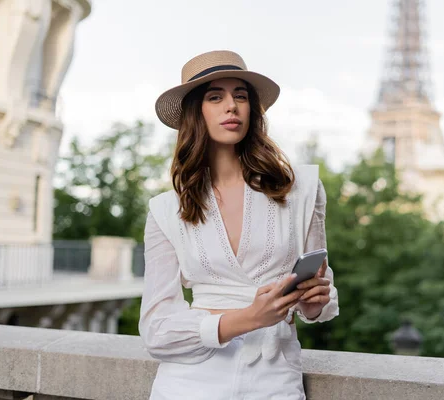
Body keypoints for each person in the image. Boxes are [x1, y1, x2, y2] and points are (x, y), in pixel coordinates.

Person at [139, 50, 339, 400]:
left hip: (274, 377)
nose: (231, 106)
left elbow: (315, 298)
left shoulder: (304, 189)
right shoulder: (165, 210)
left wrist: (313, 300)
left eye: (241, 96)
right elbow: (156, 330)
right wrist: (249, 318)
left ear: (252, 110)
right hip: (188, 381)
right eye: (215, 97)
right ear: (195, 113)